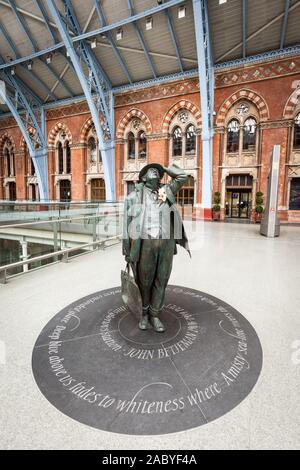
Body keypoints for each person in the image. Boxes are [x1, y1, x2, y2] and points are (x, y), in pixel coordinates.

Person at [122, 163, 190, 333]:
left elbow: (182, 177)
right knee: (145, 282)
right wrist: (127, 251)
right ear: (143, 178)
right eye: (151, 171)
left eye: (158, 172)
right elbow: (126, 226)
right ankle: (144, 314)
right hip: (145, 244)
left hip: (166, 244)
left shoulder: (166, 191)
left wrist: (165, 169)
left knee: (162, 280)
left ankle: (155, 315)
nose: (156, 173)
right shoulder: (132, 197)